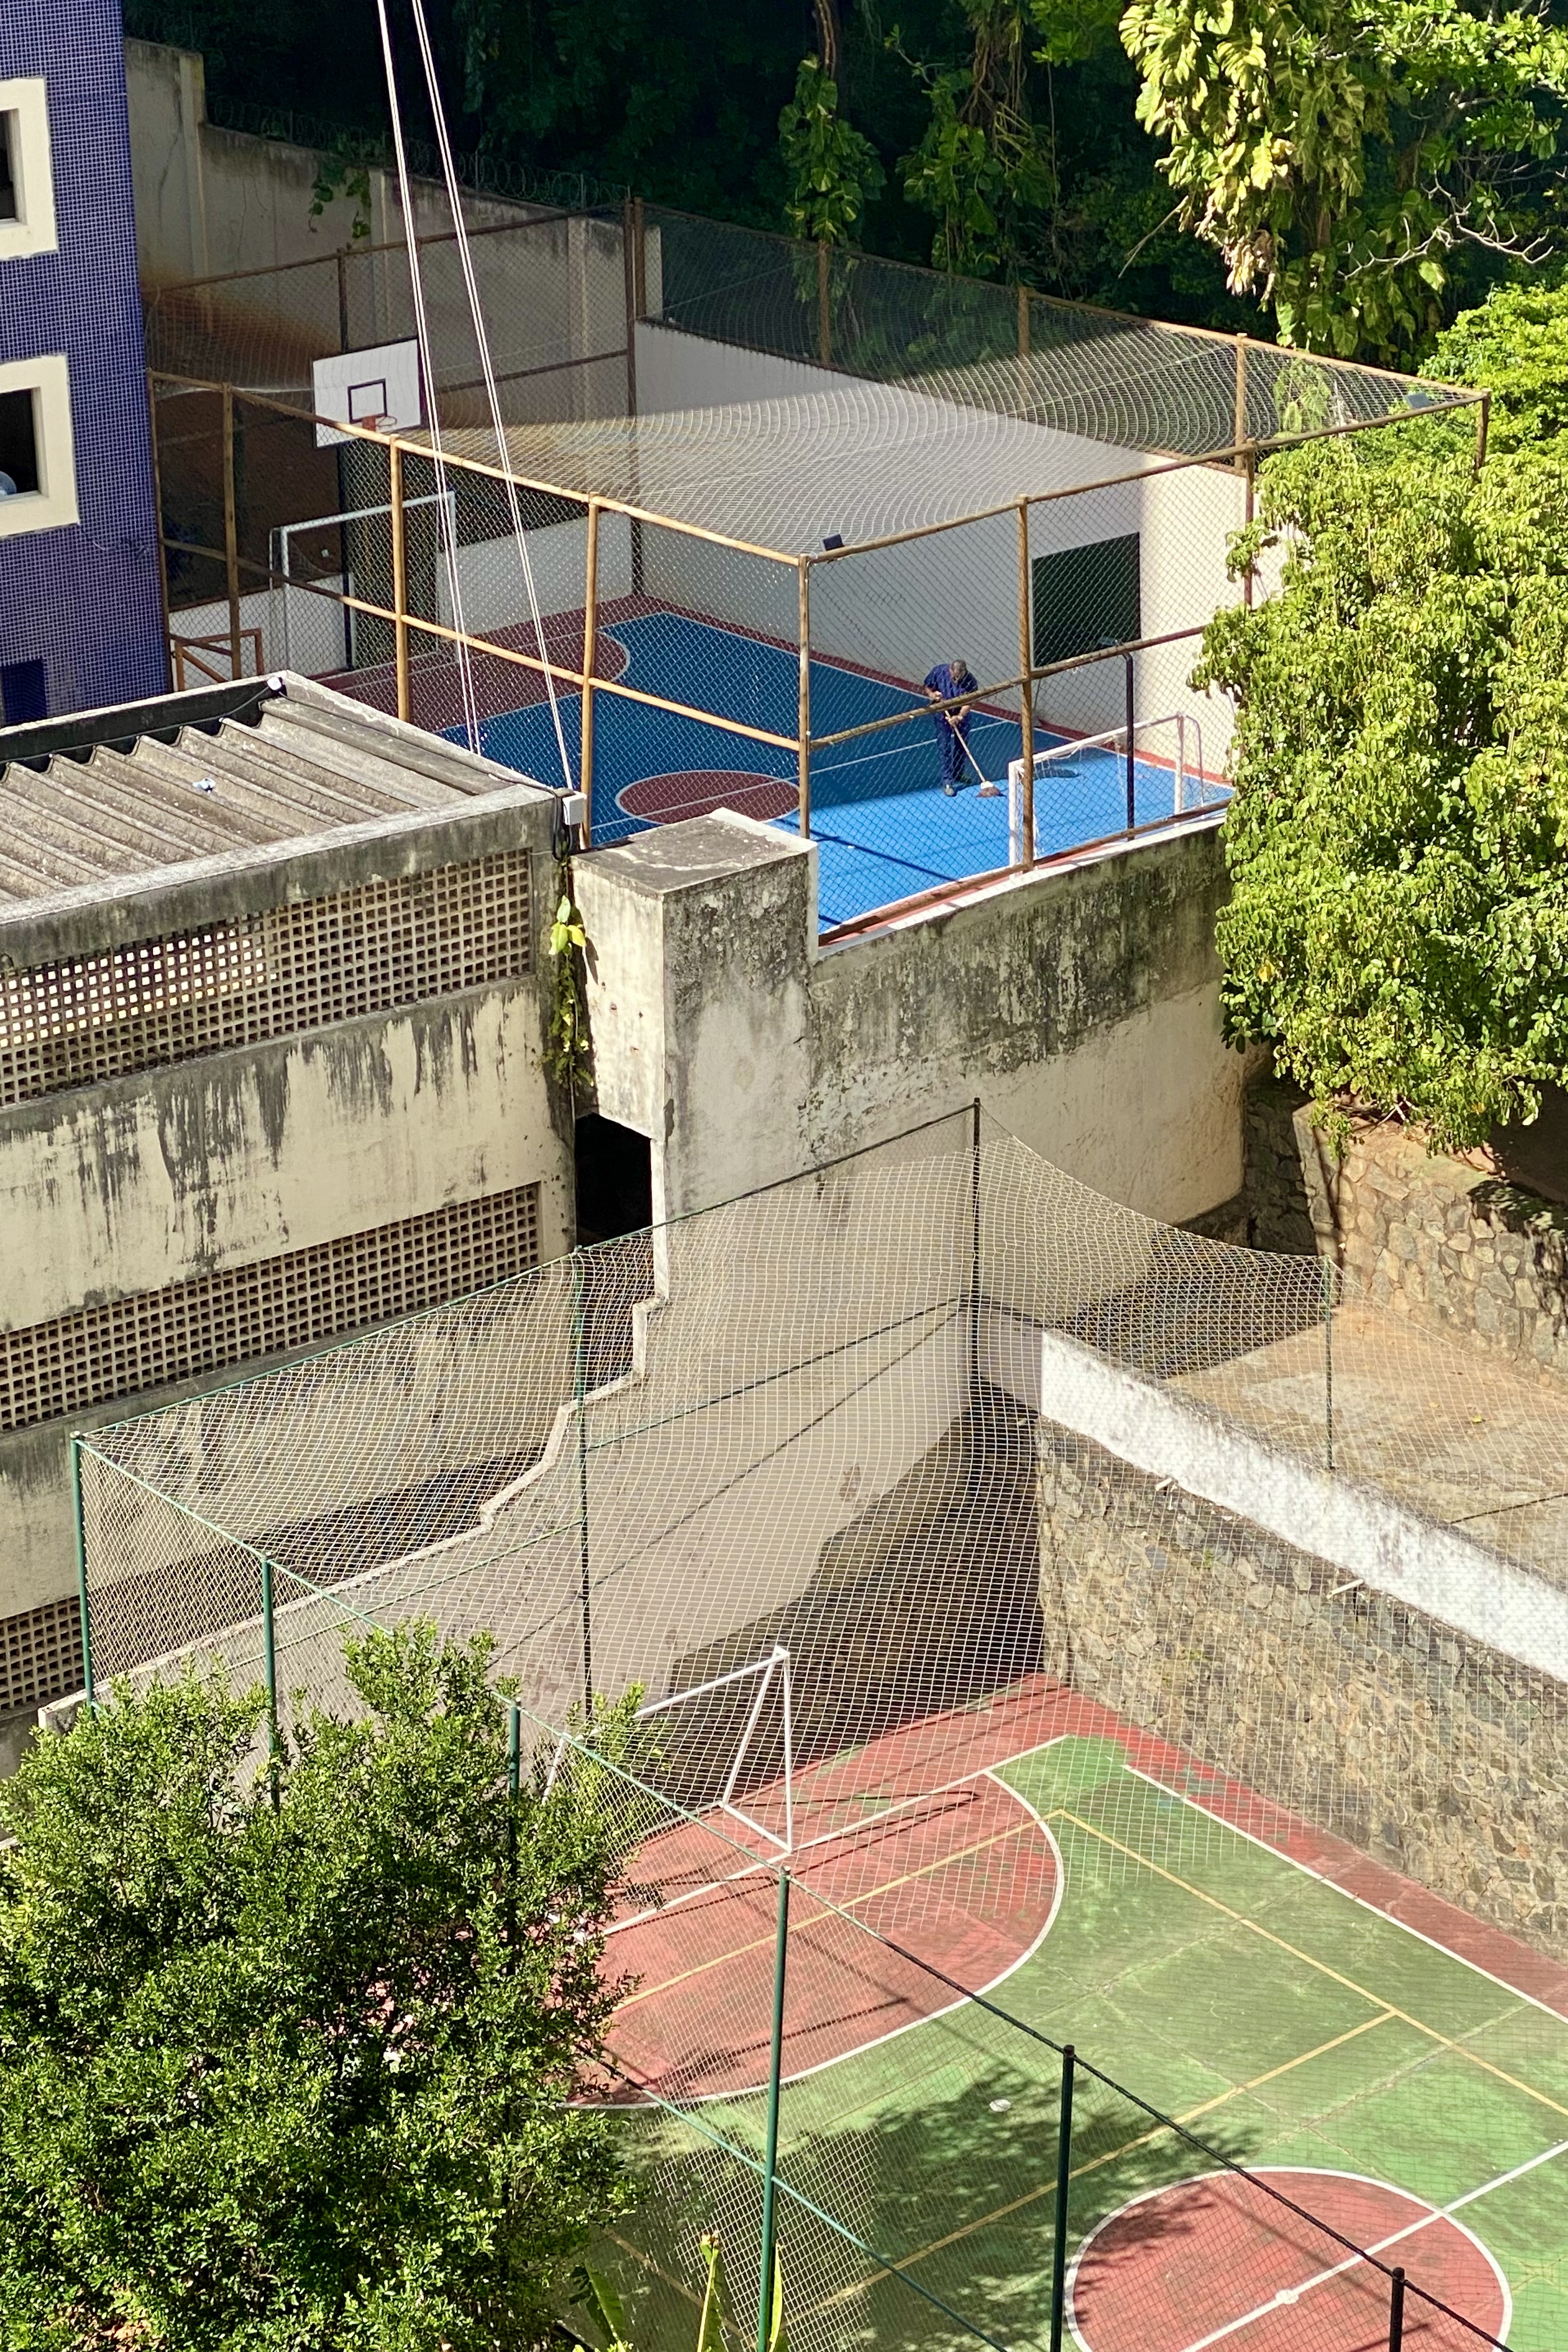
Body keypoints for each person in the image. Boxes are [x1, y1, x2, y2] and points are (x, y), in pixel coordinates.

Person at [923, 657, 977, 794]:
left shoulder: (971, 682)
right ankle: (948, 781)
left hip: (961, 714)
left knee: (961, 744)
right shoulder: (939, 672)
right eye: (955, 677)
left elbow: (969, 703)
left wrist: (959, 717)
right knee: (945, 746)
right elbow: (928, 687)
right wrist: (933, 695)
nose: (957, 680)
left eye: (960, 677)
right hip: (943, 713)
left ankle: (958, 773)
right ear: (950, 670)